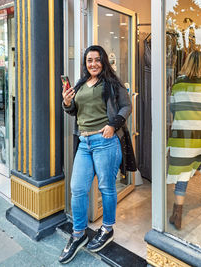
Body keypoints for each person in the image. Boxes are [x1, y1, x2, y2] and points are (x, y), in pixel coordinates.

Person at [59, 45, 132, 264]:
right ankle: (78, 234)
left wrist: (113, 125)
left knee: (106, 187)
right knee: (78, 188)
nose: (93, 64)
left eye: (97, 60)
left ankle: (107, 228)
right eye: (89, 60)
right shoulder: (81, 84)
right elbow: (74, 111)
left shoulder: (112, 83)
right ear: (85, 63)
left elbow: (126, 106)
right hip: (84, 141)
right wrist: (67, 102)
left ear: (104, 62)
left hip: (105, 141)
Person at [167, 50, 201, 230]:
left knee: (183, 170)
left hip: (183, 132)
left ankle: (178, 213)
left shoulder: (177, 83)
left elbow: (173, 107)